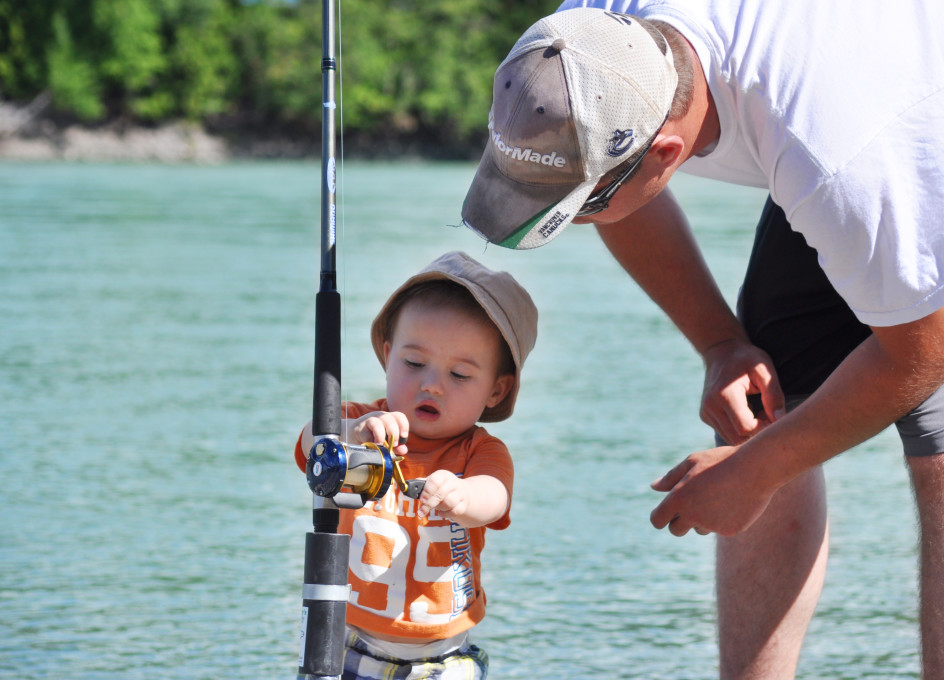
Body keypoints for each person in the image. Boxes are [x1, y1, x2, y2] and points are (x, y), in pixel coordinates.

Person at [460, 3, 944, 678]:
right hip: (836, 95)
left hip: (915, 120)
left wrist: (757, 473)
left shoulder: (841, 161)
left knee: (938, 445)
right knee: (766, 402)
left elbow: (919, 357)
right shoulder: (581, 41)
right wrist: (721, 343)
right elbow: (617, 192)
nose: (575, 223)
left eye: (582, 206)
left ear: (665, 156)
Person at [294, 250, 537, 680]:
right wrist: (352, 432)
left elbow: (494, 499)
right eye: (414, 363)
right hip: (347, 640)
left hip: (443, 656)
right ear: (388, 355)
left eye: (460, 375)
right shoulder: (359, 424)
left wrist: (463, 496)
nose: (432, 385)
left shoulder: (480, 452)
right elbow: (312, 442)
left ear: (496, 390)